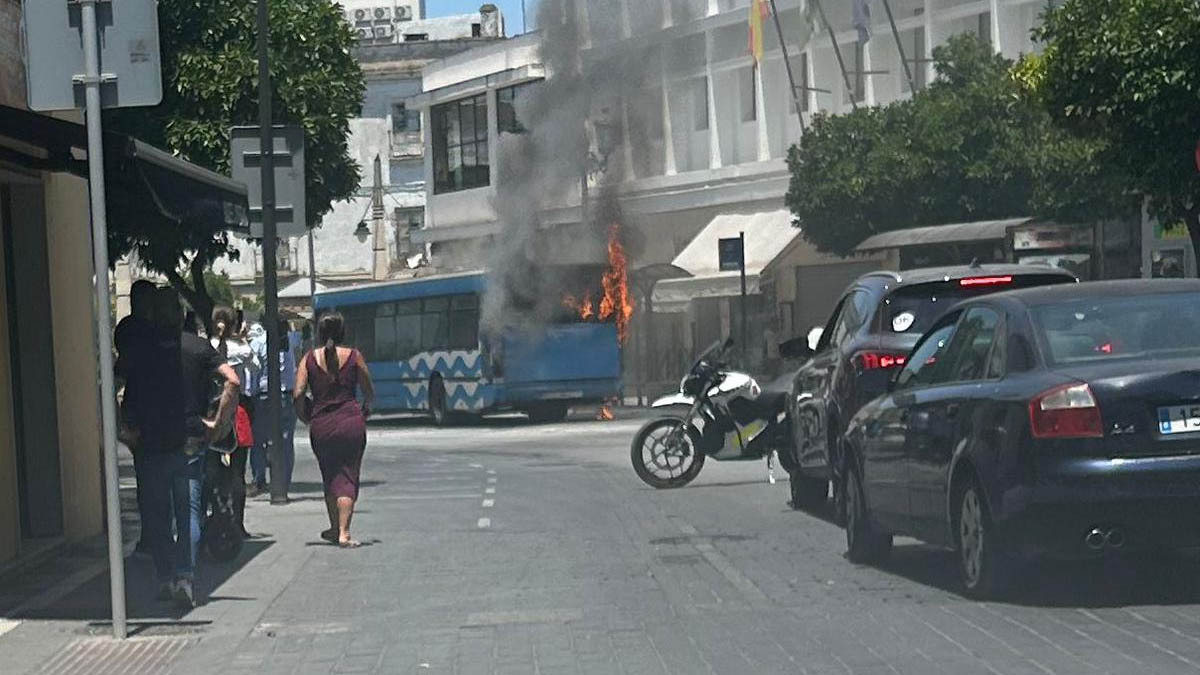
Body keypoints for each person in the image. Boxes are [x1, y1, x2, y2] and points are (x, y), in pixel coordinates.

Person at [134, 288, 240, 608]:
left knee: (156, 515)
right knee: (189, 512)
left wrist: (125, 428)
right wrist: (219, 423)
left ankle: (166, 577)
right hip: (191, 440)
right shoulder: (198, 347)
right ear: (181, 315)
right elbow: (232, 380)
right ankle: (184, 577)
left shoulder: (142, 350)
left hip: (152, 442)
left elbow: (117, 384)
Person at [295, 311, 374, 548]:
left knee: (329, 475)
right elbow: (367, 388)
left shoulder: (308, 359)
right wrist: (366, 407)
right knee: (348, 475)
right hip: (351, 421)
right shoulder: (354, 356)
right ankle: (344, 532)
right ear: (342, 333)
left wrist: (304, 415)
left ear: (319, 333)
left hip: (321, 424)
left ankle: (333, 527)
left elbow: (298, 393)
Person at [114, 279, 156, 555]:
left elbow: (121, 368)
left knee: (148, 477)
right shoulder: (145, 330)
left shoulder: (129, 329)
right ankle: (154, 533)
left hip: (139, 409)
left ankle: (152, 534)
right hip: (147, 409)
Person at [210, 306, 258, 537]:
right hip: (237, 411)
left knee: (210, 467)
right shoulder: (243, 349)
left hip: (212, 411)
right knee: (239, 471)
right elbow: (255, 368)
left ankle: (214, 515)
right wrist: (243, 338)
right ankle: (237, 523)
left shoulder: (207, 346)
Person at [249, 318, 298, 497]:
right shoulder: (291, 341)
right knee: (286, 440)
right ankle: (284, 480)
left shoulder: (258, 342)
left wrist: (250, 393)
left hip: (263, 396)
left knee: (258, 440)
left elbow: (253, 372)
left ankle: (259, 479)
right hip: (286, 395)